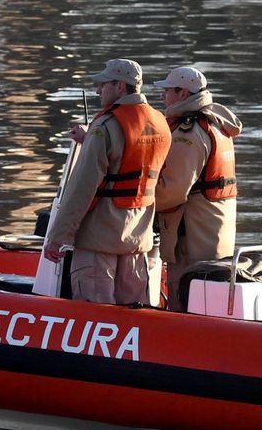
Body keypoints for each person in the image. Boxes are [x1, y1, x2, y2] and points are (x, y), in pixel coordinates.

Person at [43, 59, 171, 305]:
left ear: (120, 86)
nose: (98, 90)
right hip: (138, 239)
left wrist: (57, 237)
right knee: (133, 315)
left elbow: (81, 188)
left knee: (95, 315)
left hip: (99, 240)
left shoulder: (105, 125)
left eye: (103, 84)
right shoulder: (160, 122)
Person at [153, 66, 242, 305]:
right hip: (213, 232)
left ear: (183, 94)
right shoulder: (216, 123)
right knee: (206, 297)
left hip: (192, 236)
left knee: (183, 294)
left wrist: (138, 203)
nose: (163, 96)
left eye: (168, 90)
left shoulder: (189, 133)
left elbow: (173, 190)